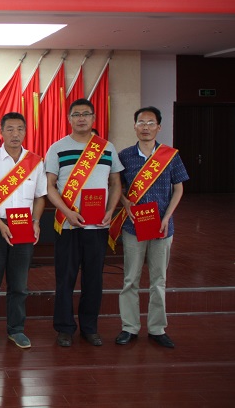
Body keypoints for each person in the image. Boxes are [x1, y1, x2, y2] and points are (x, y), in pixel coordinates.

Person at [45, 98, 122, 347]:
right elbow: (49, 186)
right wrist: (67, 212)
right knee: (65, 278)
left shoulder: (107, 147)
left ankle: (89, 327)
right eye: (76, 114)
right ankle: (64, 328)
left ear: (93, 118)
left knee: (94, 280)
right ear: (69, 119)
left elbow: (115, 183)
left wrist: (111, 210)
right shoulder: (57, 148)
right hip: (68, 225)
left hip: (97, 226)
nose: (81, 118)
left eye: (86, 114)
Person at [113, 107, 188, 348]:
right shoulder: (125, 156)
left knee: (159, 280)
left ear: (159, 127)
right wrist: (125, 203)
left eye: (150, 122)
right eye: (141, 122)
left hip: (162, 227)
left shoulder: (170, 155)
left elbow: (179, 188)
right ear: (134, 126)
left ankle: (157, 328)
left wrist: (167, 217)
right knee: (130, 279)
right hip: (133, 226)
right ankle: (129, 327)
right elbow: (117, 187)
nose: (146, 127)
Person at [0, 113, 46, 349]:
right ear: (2, 132)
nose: (15, 134)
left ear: (25, 132)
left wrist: (36, 221)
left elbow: (40, 196)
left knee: (19, 285)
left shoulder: (35, 162)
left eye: (20, 129)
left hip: (24, 227)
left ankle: (16, 329)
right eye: (10, 129)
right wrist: (0, 223)